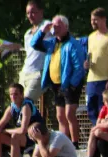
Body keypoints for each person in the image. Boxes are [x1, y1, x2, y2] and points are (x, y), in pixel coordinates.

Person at [31, 15, 85, 149]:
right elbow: (34, 44)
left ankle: (75, 143)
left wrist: (72, 85)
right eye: (54, 26)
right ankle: (64, 142)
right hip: (56, 85)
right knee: (60, 116)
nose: (55, 28)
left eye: (58, 26)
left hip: (70, 84)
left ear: (66, 27)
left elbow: (79, 67)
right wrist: (43, 30)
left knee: (69, 114)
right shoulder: (52, 43)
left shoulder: (73, 44)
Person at [83, 8, 108, 126]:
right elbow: (89, 55)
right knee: (91, 110)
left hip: (105, 79)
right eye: (92, 20)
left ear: (103, 19)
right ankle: (96, 133)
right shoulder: (91, 36)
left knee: (104, 110)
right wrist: (85, 64)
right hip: (91, 80)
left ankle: (104, 135)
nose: (92, 22)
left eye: (95, 20)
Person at [20, 0, 52, 101]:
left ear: (41, 12)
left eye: (33, 12)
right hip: (25, 73)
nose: (30, 15)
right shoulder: (27, 34)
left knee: (26, 101)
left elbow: (59, 31)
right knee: (17, 102)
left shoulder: (46, 25)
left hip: (38, 73)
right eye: (28, 13)